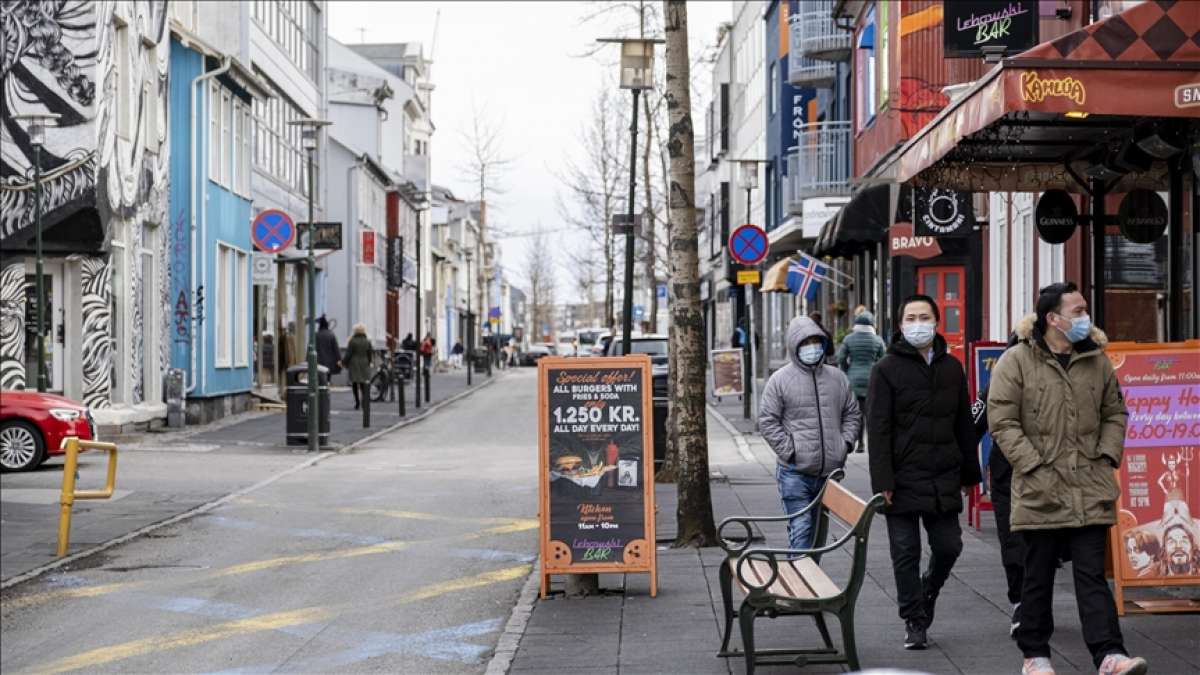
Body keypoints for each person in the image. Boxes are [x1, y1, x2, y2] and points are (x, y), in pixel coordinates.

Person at [988, 282, 1145, 675]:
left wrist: (1107, 454)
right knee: (1036, 576)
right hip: (1040, 488)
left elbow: (1116, 412)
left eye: (1084, 309)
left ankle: (1109, 654)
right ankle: (1035, 655)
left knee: (1092, 575)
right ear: (1052, 318)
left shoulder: (1096, 360)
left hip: (1089, 486)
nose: (1085, 318)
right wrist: (1033, 465)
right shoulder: (1016, 361)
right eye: (1077, 311)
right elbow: (1002, 422)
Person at [867, 294, 980, 650]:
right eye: (911, 317)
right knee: (905, 553)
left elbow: (964, 422)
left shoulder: (951, 368)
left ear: (936, 322)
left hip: (942, 474)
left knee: (949, 546)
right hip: (900, 479)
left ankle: (928, 591)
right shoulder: (885, 369)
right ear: (901, 326)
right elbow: (878, 429)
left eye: (924, 317)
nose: (918, 323)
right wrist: (883, 481)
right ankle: (914, 620)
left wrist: (969, 474)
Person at [759, 316, 861, 551]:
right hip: (795, 473)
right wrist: (790, 451)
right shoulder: (780, 380)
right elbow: (767, 421)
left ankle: (807, 581)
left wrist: (844, 444)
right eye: (805, 342)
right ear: (794, 346)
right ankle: (801, 585)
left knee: (817, 537)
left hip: (829, 474)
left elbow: (852, 413)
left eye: (816, 341)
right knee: (802, 530)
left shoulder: (837, 378)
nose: (811, 347)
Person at [835, 310, 885, 452]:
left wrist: (847, 371)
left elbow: (841, 359)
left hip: (853, 380)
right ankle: (872, 442)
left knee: (856, 414)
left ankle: (860, 443)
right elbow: (884, 360)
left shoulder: (849, 339)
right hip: (872, 380)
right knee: (871, 413)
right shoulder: (877, 340)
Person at [345, 323, 373, 410]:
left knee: (354, 383)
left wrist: (344, 362)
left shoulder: (352, 341)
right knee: (363, 383)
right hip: (364, 362)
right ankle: (364, 401)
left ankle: (357, 402)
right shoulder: (367, 341)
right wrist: (370, 361)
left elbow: (348, 354)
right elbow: (370, 353)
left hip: (354, 363)